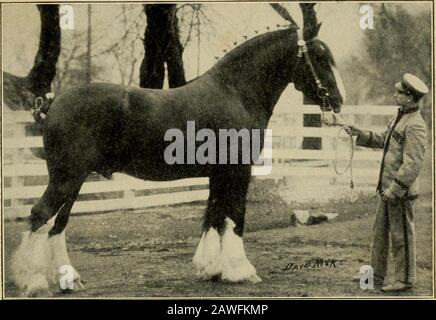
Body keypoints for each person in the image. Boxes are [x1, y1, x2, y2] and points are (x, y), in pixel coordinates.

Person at [347, 73, 429, 292]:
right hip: (386, 189)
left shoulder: (416, 126)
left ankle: (405, 279)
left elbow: (412, 164)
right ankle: (375, 275)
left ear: (410, 97)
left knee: (401, 235)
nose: (395, 95)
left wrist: (395, 189)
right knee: (380, 234)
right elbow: (383, 140)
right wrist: (359, 134)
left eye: (399, 93)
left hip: (398, 192)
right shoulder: (399, 118)